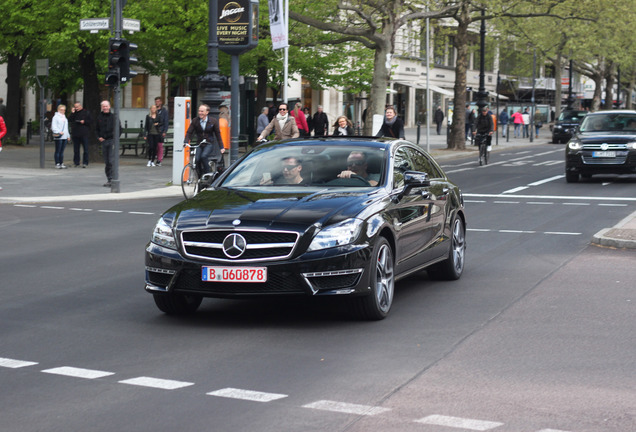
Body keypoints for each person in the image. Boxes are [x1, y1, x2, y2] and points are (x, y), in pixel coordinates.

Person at [184, 104, 225, 176]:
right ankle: (199, 176)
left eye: (202, 111)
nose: (200, 113)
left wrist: (221, 147)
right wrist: (186, 142)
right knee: (197, 159)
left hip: (209, 143)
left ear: (207, 112)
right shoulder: (195, 120)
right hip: (199, 143)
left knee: (204, 156)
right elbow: (189, 132)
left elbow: (218, 134)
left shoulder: (213, 121)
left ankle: (207, 173)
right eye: (199, 111)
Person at [95, 100, 120, 187]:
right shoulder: (99, 117)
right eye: (103, 106)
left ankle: (113, 179)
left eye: (106, 106)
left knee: (111, 160)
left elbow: (119, 129)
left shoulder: (114, 117)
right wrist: (98, 137)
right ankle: (109, 179)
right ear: (101, 108)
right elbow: (96, 129)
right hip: (104, 141)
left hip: (112, 140)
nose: (105, 108)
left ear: (109, 107)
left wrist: (115, 138)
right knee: (106, 162)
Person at [69, 101, 92, 168]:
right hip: (75, 133)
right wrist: (72, 113)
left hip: (84, 133)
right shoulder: (74, 113)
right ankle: (76, 162)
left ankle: (85, 162)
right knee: (76, 149)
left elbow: (91, 121)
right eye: (75, 107)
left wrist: (84, 122)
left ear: (80, 106)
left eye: (77, 107)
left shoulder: (86, 112)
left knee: (85, 149)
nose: (76, 108)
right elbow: (69, 119)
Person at [51, 104, 69, 169]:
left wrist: (68, 135)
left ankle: (61, 163)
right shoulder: (55, 117)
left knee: (62, 151)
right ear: (58, 110)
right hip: (59, 136)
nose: (62, 111)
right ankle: (57, 163)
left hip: (64, 136)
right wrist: (58, 131)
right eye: (61, 110)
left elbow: (66, 128)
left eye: (64, 110)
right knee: (58, 150)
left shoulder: (64, 117)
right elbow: (53, 127)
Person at [154, 97, 169, 166]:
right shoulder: (154, 110)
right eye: (156, 101)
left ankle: (159, 159)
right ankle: (156, 157)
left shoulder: (164, 111)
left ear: (161, 102)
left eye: (158, 101)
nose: (157, 103)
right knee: (154, 145)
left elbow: (166, 122)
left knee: (160, 145)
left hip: (160, 130)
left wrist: (165, 131)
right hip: (154, 130)